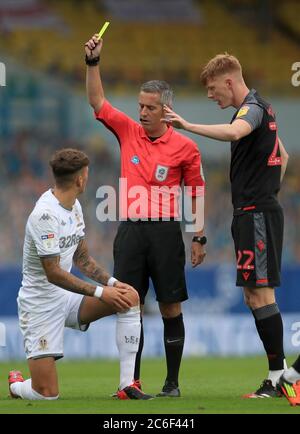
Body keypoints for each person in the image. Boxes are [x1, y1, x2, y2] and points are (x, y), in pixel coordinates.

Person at [162, 53, 289, 398]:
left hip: (257, 213)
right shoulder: (261, 109)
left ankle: (281, 377)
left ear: (229, 81)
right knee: (253, 295)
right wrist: (269, 190)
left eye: (212, 87)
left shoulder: (252, 109)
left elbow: (235, 132)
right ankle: (279, 376)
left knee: (261, 292)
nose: (209, 94)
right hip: (253, 212)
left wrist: (187, 126)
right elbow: (284, 156)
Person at [85, 35, 206, 397]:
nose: (142, 112)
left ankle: (172, 383)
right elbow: (97, 101)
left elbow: (196, 192)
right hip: (132, 231)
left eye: (149, 108)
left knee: (170, 305)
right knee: (128, 305)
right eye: (140, 105)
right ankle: (131, 382)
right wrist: (93, 63)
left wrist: (198, 235)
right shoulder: (128, 131)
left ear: (166, 110)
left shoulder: (186, 147)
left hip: (167, 233)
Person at [8, 148, 153, 401]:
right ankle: (16, 385)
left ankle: (127, 385)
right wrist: (100, 292)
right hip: (39, 305)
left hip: (66, 298)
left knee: (129, 296)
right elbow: (53, 273)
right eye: (87, 173)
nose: (87, 177)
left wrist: (114, 283)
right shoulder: (45, 215)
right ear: (80, 179)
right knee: (47, 394)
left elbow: (82, 258)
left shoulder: (73, 206)